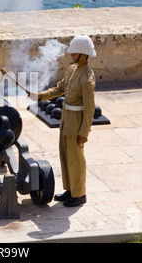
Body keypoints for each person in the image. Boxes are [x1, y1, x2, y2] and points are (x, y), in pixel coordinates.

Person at [28, 33, 96, 207]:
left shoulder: (87, 79)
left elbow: (89, 110)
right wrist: (40, 96)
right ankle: (70, 190)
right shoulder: (72, 69)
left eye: (74, 53)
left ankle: (79, 194)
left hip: (77, 122)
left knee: (76, 160)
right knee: (65, 156)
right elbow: (60, 89)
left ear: (83, 54)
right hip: (67, 119)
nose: (71, 55)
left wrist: (84, 133)